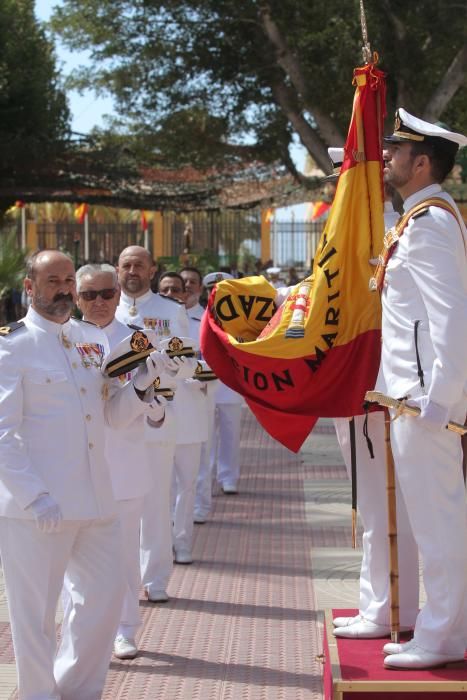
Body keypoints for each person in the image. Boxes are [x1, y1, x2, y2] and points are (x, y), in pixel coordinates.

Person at [0, 250, 166, 700]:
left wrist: (143, 386)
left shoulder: (91, 341)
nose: (64, 288)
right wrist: (35, 496)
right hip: (39, 509)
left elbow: (112, 416)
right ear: (30, 288)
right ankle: (38, 694)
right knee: (34, 616)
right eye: (52, 280)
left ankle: (76, 689)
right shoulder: (10, 346)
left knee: (104, 601)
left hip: (96, 498)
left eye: (68, 279)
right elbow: (3, 434)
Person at [376, 109, 467, 669]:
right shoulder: (419, 218)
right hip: (414, 395)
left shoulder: (429, 222)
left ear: (423, 162)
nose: (387, 158)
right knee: (438, 520)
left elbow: (451, 317)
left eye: (396, 151)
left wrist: (441, 400)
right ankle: (446, 630)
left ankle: (439, 635)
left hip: (424, 401)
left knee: (439, 523)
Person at [328, 146, 419, 641]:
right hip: (360, 384)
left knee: (383, 507)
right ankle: (380, 605)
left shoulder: (378, 230)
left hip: (374, 386)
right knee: (374, 506)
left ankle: (386, 610)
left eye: (343, 180)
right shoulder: (363, 229)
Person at [74, 262, 167, 660]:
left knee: (126, 553)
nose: (98, 302)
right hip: (75, 465)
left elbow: (161, 406)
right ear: (77, 298)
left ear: (118, 294)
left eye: (106, 294)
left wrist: (153, 404)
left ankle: (126, 629)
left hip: (124, 463)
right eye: (89, 295)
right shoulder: (64, 339)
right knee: (72, 559)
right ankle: (79, 632)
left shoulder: (141, 341)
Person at [201, 272, 244, 498]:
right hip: (203, 382)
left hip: (230, 382)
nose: (215, 293)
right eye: (211, 289)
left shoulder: (240, 317)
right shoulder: (198, 315)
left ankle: (228, 477)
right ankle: (205, 479)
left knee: (230, 431)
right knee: (206, 434)